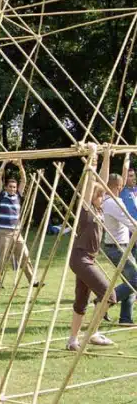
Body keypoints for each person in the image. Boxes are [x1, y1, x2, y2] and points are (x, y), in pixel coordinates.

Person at [67, 144, 118, 350]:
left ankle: (72, 341)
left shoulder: (99, 210)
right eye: (99, 196)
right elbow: (90, 183)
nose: (102, 198)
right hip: (81, 258)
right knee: (109, 295)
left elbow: (102, 182)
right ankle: (93, 333)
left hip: (89, 258)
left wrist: (106, 156)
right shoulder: (86, 209)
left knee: (81, 302)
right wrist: (93, 155)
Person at [100, 167, 136, 325]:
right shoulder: (113, 203)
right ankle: (104, 302)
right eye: (120, 186)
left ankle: (125, 318)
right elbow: (129, 222)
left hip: (118, 246)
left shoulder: (106, 200)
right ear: (117, 186)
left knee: (130, 281)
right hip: (118, 247)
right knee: (135, 280)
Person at [0, 160, 38, 288]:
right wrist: (4, 163)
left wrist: (20, 166)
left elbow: (24, 179)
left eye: (14, 187)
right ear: (6, 187)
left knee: (25, 256)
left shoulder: (18, 196)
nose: (12, 189)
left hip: (17, 232)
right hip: (4, 233)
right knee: (1, 259)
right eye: (10, 187)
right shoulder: (2, 195)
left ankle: (33, 280)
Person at [120, 153, 137, 220]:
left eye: (134, 175)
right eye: (130, 176)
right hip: (129, 224)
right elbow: (125, 169)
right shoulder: (122, 190)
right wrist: (127, 154)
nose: (134, 178)